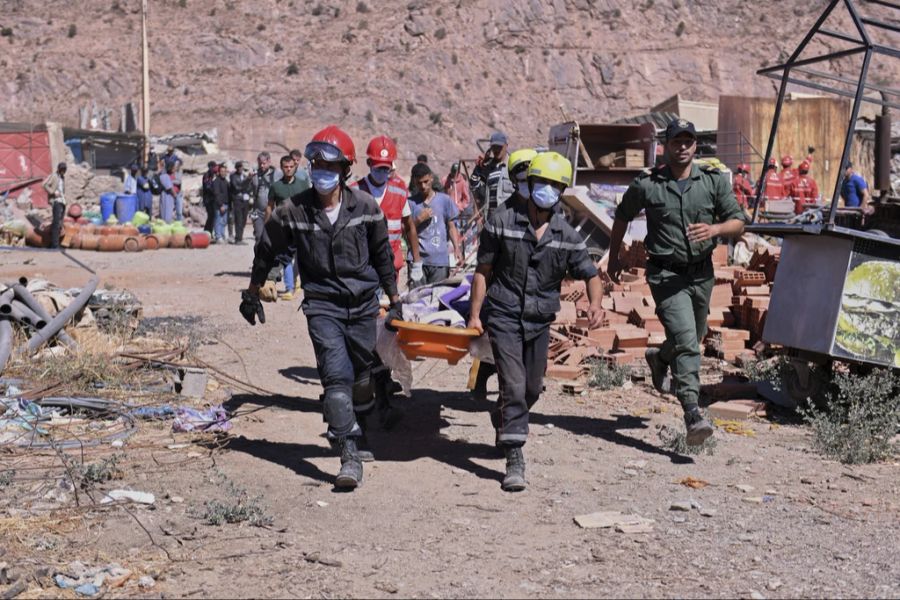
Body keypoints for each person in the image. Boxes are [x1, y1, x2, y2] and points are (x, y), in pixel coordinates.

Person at [240, 125, 400, 490]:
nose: (322, 172)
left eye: (330, 166)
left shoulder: (366, 208)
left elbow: (382, 257)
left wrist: (395, 299)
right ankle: (348, 453)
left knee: (361, 378)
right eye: (316, 165)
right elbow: (265, 251)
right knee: (336, 378)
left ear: (345, 170)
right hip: (323, 305)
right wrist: (251, 293)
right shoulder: (292, 211)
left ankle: (359, 427)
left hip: (362, 306)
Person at [468, 151, 603, 492]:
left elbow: (590, 274)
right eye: (541, 183)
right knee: (513, 384)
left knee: (530, 389)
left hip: (539, 320)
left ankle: (504, 416)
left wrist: (595, 304)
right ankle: (514, 457)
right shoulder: (501, 221)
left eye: (554, 186)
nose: (545, 190)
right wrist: (474, 316)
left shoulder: (567, 235)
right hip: (504, 313)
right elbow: (483, 271)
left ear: (561, 191)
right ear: (530, 184)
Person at [608, 119, 746, 447]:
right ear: (665, 146)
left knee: (693, 337)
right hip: (666, 275)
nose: (682, 147)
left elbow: (739, 222)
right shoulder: (648, 184)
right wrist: (613, 257)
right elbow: (622, 216)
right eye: (676, 142)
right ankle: (692, 412)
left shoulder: (712, 182)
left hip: (701, 275)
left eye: (688, 141)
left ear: (696, 146)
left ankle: (660, 358)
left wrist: (714, 230)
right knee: (687, 341)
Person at [469, 148, 538, 404]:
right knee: (500, 349)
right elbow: (484, 269)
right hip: (504, 297)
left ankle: (506, 397)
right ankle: (494, 393)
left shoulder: (545, 214)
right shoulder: (501, 215)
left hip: (531, 301)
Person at [351, 135, 423, 286]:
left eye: (386, 168)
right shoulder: (354, 192)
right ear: (369, 163)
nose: (382, 172)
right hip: (363, 267)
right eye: (379, 168)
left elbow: (409, 227)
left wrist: (417, 261)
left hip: (390, 268)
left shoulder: (400, 192)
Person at [407, 163, 462, 284]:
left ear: (431, 178)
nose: (423, 186)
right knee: (416, 299)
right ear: (414, 182)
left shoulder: (444, 200)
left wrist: (457, 248)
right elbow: (405, 231)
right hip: (417, 261)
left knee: (437, 297)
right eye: (419, 183)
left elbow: (451, 226)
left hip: (439, 261)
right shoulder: (410, 203)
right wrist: (418, 220)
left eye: (426, 181)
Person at [266, 155, 310, 300]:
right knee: (285, 258)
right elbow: (270, 207)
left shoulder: (303, 184)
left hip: (301, 226)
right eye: (286, 167)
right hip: (283, 227)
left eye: (291, 166)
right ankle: (289, 288)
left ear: (295, 167)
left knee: (301, 256)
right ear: (282, 167)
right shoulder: (276, 186)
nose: (289, 169)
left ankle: (297, 283)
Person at [469, 131, 514, 218]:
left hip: (508, 221)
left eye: (499, 147)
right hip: (491, 220)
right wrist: (479, 167)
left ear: (506, 146)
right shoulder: (487, 167)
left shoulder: (512, 166)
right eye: (494, 147)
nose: (496, 150)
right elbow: (474, 186)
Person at [251, 152, 281, 242]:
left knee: (271, 237)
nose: (262, 166)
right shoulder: (255, 175)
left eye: (264, 163)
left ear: (269, 161)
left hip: (273, 212)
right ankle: (259, 255)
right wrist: (248, 178)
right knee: (259, 236)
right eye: (260, 163)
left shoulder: (278, 174)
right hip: (258, 211)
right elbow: (245, 188)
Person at [42, 162, 67, 249]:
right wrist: (52, 192)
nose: (63, 171)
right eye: (62, 169)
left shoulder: (63, 177)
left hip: (63, 202)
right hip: (56, 202)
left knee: (60, 223)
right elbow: (44, 184)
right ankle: (54, 245)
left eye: (64, 169)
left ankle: (57, 243)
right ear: (59, 169)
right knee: (56, 223)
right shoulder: (54, 176)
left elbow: (62, 190)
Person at [229, 161, 253, 244]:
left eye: (241, 167)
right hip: (237, 200)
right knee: (238, 219)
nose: (240, 169)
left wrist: (246, 185)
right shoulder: (233, 176)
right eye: (238, 167)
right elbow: (236, 187)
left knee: (244, 219)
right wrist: (245, 184)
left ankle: (240, 236)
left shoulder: (244, 176)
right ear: (236, 168)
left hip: (245, 200)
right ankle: (238, 238)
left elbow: (249, 187)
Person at [211, 162, 230, 243]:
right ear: (219, 172)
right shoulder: (216, 181)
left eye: (224, 171)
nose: (223, 173)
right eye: (222, 171)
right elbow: (216, 194)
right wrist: (220, 205)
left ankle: (222, 235)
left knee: (224, 221)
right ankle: (218, 236)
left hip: (226, 204)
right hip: (219, 205)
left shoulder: (226, 181)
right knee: (218, 220)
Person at [201, 161, 219, 234]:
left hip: (213, 199)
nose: (216, 168)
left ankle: (209, 232)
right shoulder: (207, 175)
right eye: (214, 166)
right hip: (208, 199)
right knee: (210, 216)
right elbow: (207, 186)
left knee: (213, 216)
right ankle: (207, 232)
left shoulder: (213, 175)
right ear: (211, 167)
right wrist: (215, 192)